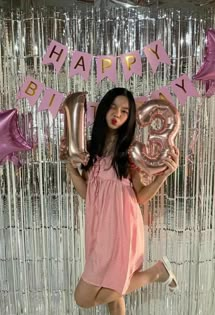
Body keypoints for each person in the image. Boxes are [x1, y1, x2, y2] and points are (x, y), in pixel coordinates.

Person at [59, 87, 179, 315]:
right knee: (114, 300)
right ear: (104, 109)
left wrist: (163, 175)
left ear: (129, 118)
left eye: (124, 111)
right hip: (98, 230)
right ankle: (159, 272)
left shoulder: (129, 153)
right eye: (113, 107)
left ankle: (157, 273)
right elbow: (89, 195)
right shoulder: (90, 150)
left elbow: (141, 196)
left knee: (83, 298)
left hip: (121, 230)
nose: (117, 114)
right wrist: (72, 171)